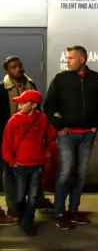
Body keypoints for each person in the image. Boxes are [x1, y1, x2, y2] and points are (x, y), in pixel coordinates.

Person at [43, 46, 98, 230]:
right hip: (67, 135)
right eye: (67, 58)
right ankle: (60, 213)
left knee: (80, 174)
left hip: (87, 135)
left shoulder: (97, 79)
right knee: (65, 173)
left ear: (82, 59)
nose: (67, 61)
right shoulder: (61, 79)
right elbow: (48, 105)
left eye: (71, 58)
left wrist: (96, 126)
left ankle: (74, 210)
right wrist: (59, 126)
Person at [1, 56, 54, 219]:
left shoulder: (30, 84)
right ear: (7, 70)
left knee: (34, 171)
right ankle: (13, 207)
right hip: (10, 135)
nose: (18, 69)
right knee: (9, 173)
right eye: (13, 67)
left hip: (31, 136)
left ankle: (37, 199)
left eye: (19, 65)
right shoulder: (2, 89)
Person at [2, 90, 56, 236]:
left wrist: (55, 121)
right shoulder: (13, 120)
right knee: (19, 196)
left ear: (33, 105)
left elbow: (50, 136)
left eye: (22, 103)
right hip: (20, 165)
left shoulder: (42, 119)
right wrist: (11, 160)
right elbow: (6, 143)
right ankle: (22, 215)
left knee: (32, 196)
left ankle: (28, 221)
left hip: (36, 165)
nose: (18, 105)